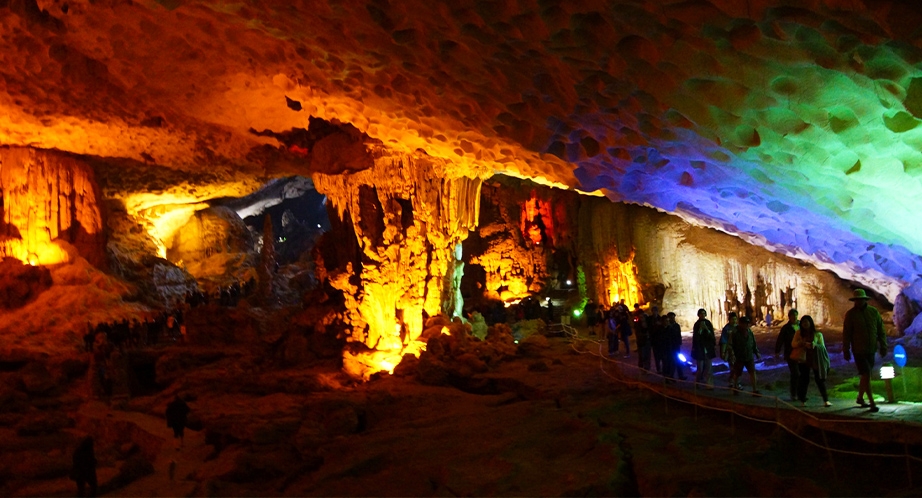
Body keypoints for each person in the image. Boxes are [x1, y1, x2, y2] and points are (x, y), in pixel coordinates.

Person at [842, 289, 888, 413]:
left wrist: (883, 345)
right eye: (857, 300)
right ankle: (872, 402)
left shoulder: (873, 312)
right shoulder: (851, 315)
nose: (858, 302)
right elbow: (847, 333)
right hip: (858, 350)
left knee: (865, 375)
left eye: (860, 300)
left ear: (864, 300)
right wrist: (846, 349)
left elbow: (880, 330)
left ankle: (860, 398)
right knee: (866, 374)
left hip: (871, 349)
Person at [793, 315, 831, 407]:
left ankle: (825, 400)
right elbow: (793, 344)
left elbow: (822, 347)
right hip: (803, 359)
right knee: (804, 380)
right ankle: (802, 400)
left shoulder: (818, 334)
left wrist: (814, 345)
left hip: (815, 359)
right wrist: (801, 343)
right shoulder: (798, 333)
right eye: (803, 322)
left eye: (807, 322)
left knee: (819, 379)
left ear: (810, 323)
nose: (805, 324)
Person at [728, 316, 762, 395]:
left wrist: (756, 352)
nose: (746, 325)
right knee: (738, 373)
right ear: (740, 324)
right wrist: (732, 355)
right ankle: (735, 387)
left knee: (752, 372)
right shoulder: (734, 332)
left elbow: (753, 342)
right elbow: (730, 345)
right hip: (739, 356)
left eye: (747, 323)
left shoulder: (749, 331)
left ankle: (755, 389)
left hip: (749, 355)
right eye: (745, 323)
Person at [775, 309, 800, 402]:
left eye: (796, 315)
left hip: (801, 353)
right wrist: (777, 351)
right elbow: (780, 339)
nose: (795, 317)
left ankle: (800, 393)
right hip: (790, 353)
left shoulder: (801, 325)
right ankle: (793, 394)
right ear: (789, 317)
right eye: (793, 316)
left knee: (802, 374)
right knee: (795, 373)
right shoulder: (786, 328)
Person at [691, 308, 717, 389]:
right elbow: (696, 337)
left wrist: (706, 329)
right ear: (698, 315)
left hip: (708, 349)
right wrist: (700, 330)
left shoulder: (708, 323)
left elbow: (712, 336)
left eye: (704, 313)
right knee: (700, 368)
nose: (702, 315)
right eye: (701, 314)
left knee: (709, 368)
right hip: (700, 349)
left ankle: (709, 384)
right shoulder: (696, 324)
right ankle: (697, 382)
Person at [662, 312, 687, 381]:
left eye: (673, 317)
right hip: (669, 347)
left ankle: (680, 375)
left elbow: (678, 335)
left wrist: (679, 342)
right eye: (670, 317)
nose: (672, 319)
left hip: (676, 346)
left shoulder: (676, 326)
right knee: (670, 362)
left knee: (678, 361)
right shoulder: (667, 328)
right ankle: (670, 377)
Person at [719, 312, 739, 389]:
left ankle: (734, 381)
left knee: (738, 367)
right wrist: (723, 352)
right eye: (732, 319)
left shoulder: (738, 328)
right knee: (733, 367)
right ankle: (734, 382)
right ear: (729, 320)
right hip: (730, 351)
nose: (734, 321)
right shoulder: (726, 329)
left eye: (735, 319)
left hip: (738, 350)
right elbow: (724, 341)